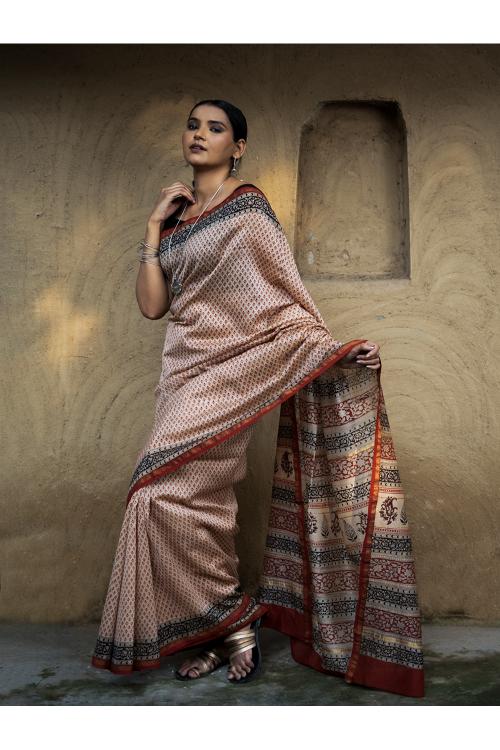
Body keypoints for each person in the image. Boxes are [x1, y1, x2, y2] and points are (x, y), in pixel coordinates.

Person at [90, 99, 424, 697]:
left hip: (234, 375)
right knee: (175, 500)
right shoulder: (174, 222)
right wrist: (150, 229)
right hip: (182, 375)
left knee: (168, 494)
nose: (200, 135)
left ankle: (231, 619)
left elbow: (280, 297)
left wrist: (332, 351)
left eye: (215, 129)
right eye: (193, 126)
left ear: (236, 147)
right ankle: (222, 631)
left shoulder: (247, 209)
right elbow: (152, 306)